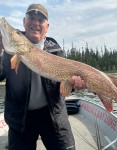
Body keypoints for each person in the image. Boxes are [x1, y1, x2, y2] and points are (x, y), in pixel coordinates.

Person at [0, 3, 86, 150]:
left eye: (40, 20)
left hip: (52, 116)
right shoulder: (11, 50)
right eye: (31, 18)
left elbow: (62, 88)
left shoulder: (56, 50)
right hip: (21, 119)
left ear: (47, 26)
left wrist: (73, 85)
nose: (35, 23)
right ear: (24, 22)